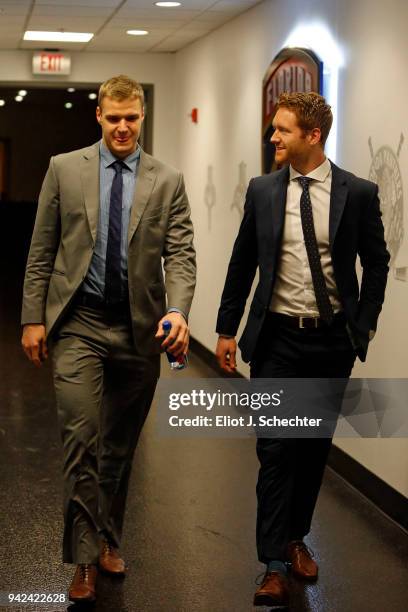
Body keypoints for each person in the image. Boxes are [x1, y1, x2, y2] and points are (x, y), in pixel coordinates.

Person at [21, 75, 196, 604]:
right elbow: (42, 248)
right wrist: (34, 317)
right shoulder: (64, 169)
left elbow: (182, 255)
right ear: (98, 115)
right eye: (113, 117)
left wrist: (177, 311)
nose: (123, 127)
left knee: (119, 448)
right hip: (79, 323)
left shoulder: (167, 180)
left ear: (142, 117)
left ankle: (106, 540)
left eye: (132, 118)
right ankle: (82, 560)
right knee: (82, 440)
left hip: (140, 330)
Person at [215, 92, 389, 609]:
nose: (273, 138)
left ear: (312, 136)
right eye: (274, 129)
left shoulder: (357, 193)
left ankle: (295, 538)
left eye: (282, 130)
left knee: (312, 449)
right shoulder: (264, 190)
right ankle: (271, 563)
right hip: (277, 341)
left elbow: (376, 263)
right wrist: (227, 329)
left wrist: (364, 326)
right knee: (274, 450)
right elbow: (242, 260)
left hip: (331, 341)